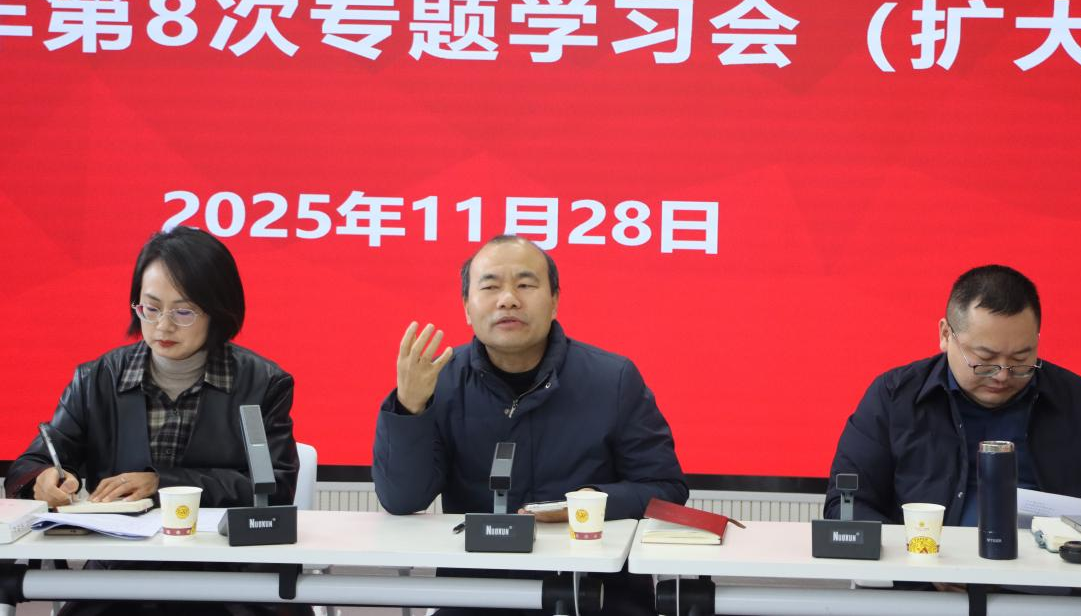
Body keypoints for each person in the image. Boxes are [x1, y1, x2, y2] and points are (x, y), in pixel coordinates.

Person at [373, 234, 687, 616]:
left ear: (554, 301)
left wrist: (586, 504)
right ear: (467, 307)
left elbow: (666, 490)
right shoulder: (442, 382)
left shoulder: (613, 379)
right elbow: (402, 500)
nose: (508, 299)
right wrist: (409, 408)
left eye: (525, 285)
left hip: (594, 594)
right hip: (479, 595)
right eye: (490, 286)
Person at [5, 226, 302, 616]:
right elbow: (31, 464)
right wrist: (43, 479)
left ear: (218, 311)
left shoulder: (263, 383)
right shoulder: (96, 380)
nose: (163, 326)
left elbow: (274, 487)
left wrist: (163, 484)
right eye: (150, 308)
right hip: (120, 576)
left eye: (183, 312)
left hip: (229, 579)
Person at [825, 264, 1081, 526]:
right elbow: (845, 505)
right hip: (925, 582)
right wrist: (919, 556)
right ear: (946, 335)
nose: (1002, 375)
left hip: (1056, 582)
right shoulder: (893, 397)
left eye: (1021, 359)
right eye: (984, 359)